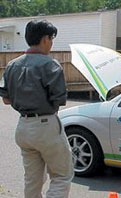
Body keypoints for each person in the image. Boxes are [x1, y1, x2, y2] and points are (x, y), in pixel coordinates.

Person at [0, 20, 74, 198]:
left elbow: (6, 100)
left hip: (23, 128)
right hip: (46, 125)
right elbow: (58, 101)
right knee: (62, 175)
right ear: (45, 39)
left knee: (32, 179)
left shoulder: (12, 65)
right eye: (51, 38)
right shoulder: (51, 65)